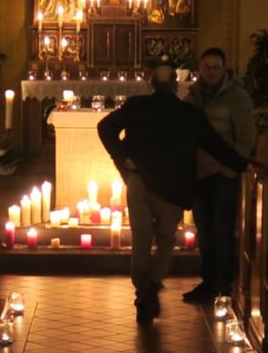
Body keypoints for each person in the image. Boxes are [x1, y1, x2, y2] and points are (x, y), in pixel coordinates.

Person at [98, 64, 252, 324]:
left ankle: (142, 291)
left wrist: (123, 157)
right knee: (166, 238)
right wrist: (242, 164)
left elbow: (105, 128)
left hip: (139, 182)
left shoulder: (136, 105)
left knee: (141, 239)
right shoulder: (189, 113)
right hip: (171, 187)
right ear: (175, 85)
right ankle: (152, 284)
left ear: (151, 84)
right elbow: (216, 145)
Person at [184, 47, 256, 304]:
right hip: (199, 173)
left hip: (222, 174)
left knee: (222, 230)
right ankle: (208, 281)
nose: (211, 72)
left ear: (223, 69)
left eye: (216, 67)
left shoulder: (237, 97)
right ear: (199, 69)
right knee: (204, 230)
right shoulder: (193, 96)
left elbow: (246, 137)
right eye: (206, 67)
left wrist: (228, 168)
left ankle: (224, 284)